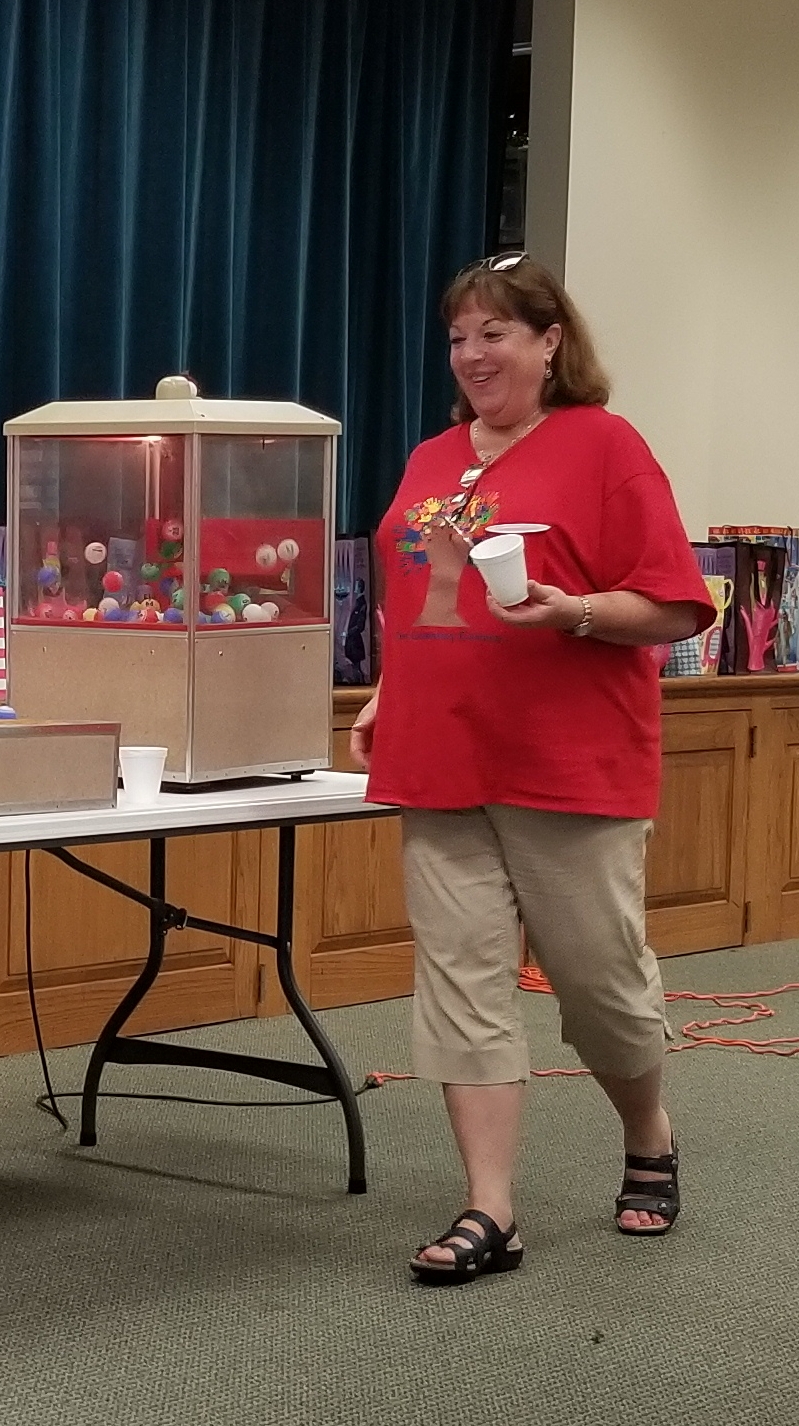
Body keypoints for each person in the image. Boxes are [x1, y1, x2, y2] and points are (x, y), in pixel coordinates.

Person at [350, 253, 714, 1282]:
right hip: (439, 754)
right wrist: (387, 685)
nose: (471, 354)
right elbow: (414, 598)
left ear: (551, 344)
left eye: (493, 333)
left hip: (570, 760)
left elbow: (677, 603)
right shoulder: (429, 459)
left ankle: (648, 1132)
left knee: (600, 986)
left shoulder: (605, 448)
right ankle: (490, 1210)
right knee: (461, 982)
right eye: (458, 336)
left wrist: (576, 612)